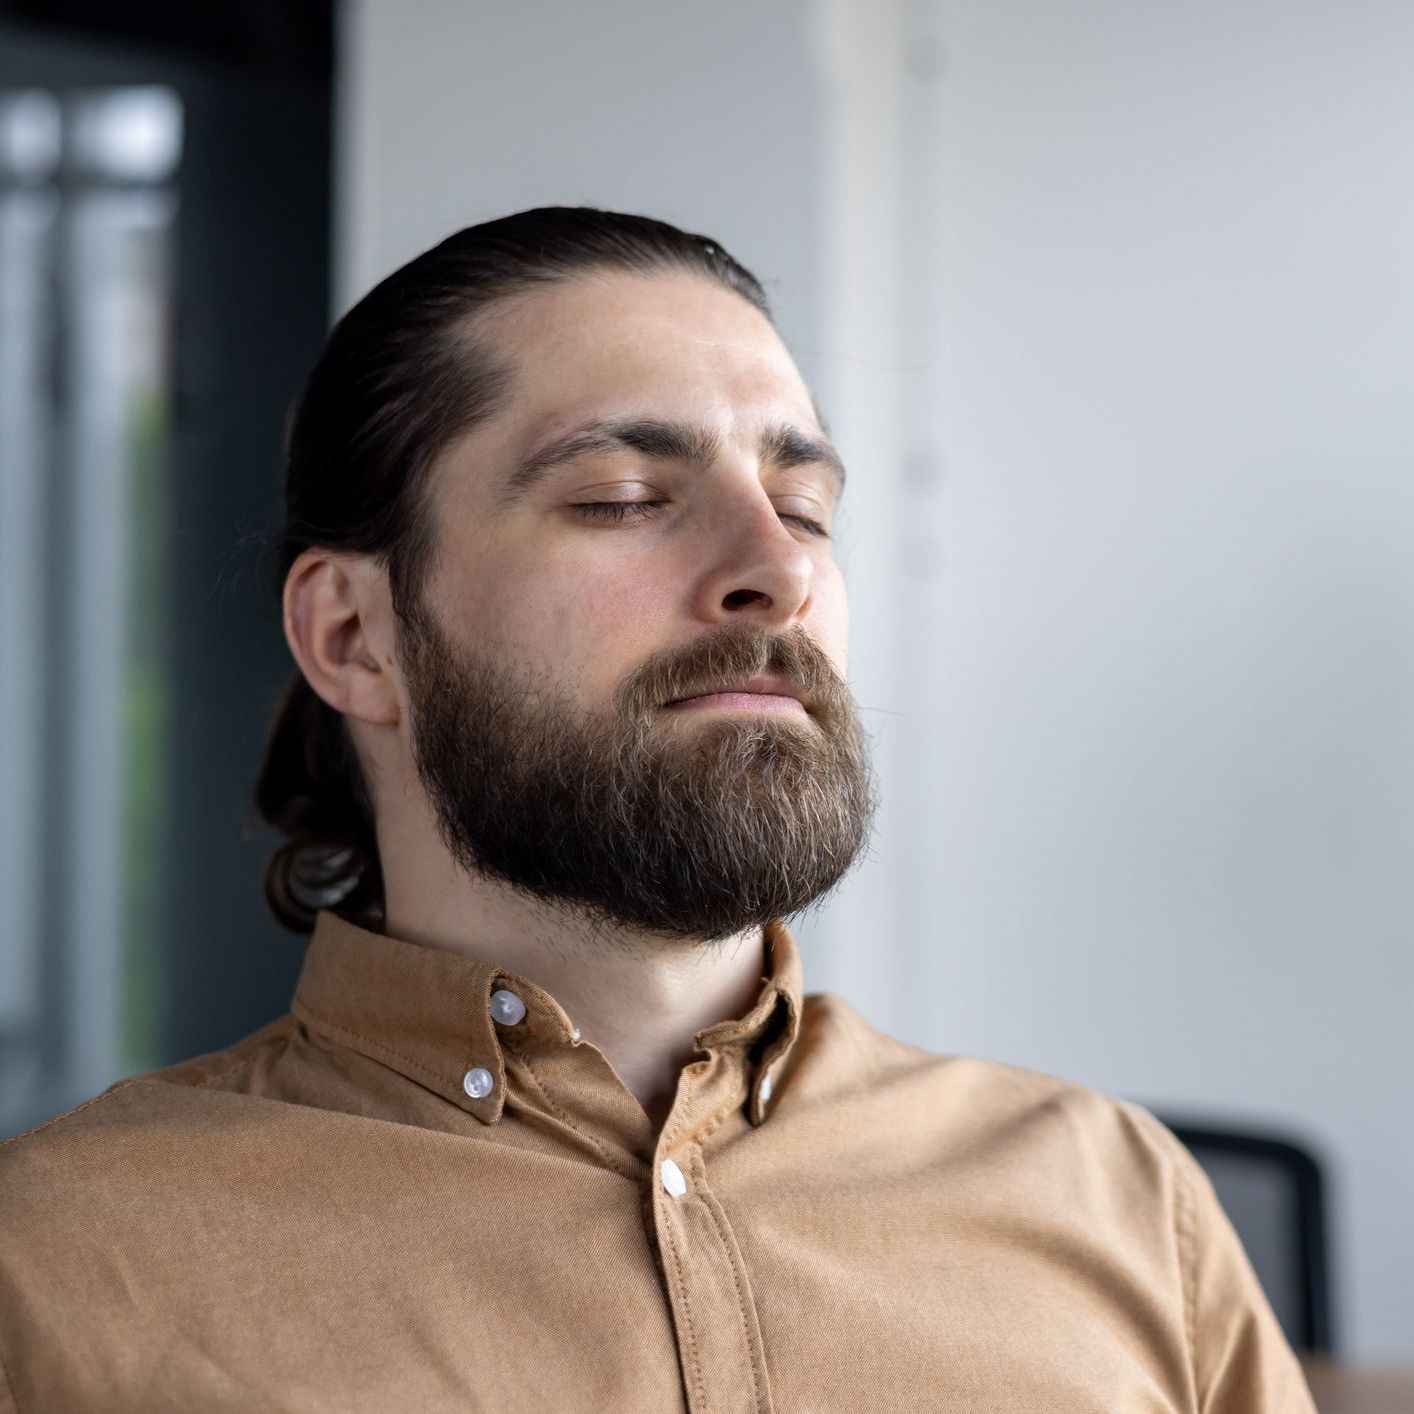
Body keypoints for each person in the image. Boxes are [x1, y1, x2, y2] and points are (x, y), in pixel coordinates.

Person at [0, 208, 1314, 1412]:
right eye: (623, 499)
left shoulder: (1116, 1195)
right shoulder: (55, 1271)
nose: (777, 567)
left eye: (803, 507)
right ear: (354, 635)